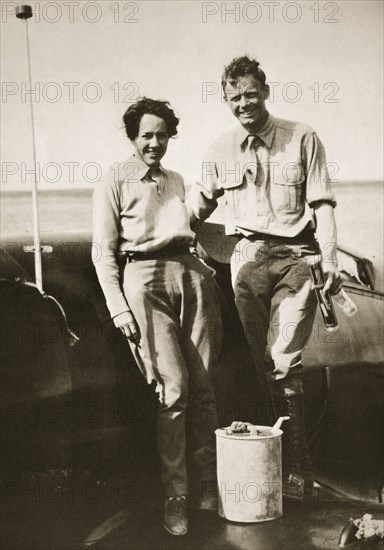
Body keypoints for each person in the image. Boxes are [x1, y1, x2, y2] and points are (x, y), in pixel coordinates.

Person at [188, 56, 343, 501]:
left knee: (283, 357)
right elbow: (199, 204)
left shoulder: (302, 137)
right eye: (234, 97)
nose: (243, 103)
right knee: (263, 366)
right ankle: (275, 460)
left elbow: (323, 204)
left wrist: (329, 258)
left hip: (298, 257)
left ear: (266, 91)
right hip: (247, 260)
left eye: (250, 94)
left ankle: (299, 470)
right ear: (225, 101)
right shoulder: (219, 150)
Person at [93, 97, 222, 535]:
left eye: (162, 134)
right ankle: (176, 498)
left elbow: (181, 225)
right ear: (133, 137)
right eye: (146, 134)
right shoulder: (113, 179)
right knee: (174, 392)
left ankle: (209, 485)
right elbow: (103, 253)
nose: (155, 142)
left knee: (204, 388)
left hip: (191, 276)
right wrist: (118, 308)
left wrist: (206, 205)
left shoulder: (177, 180)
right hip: (143, 282)